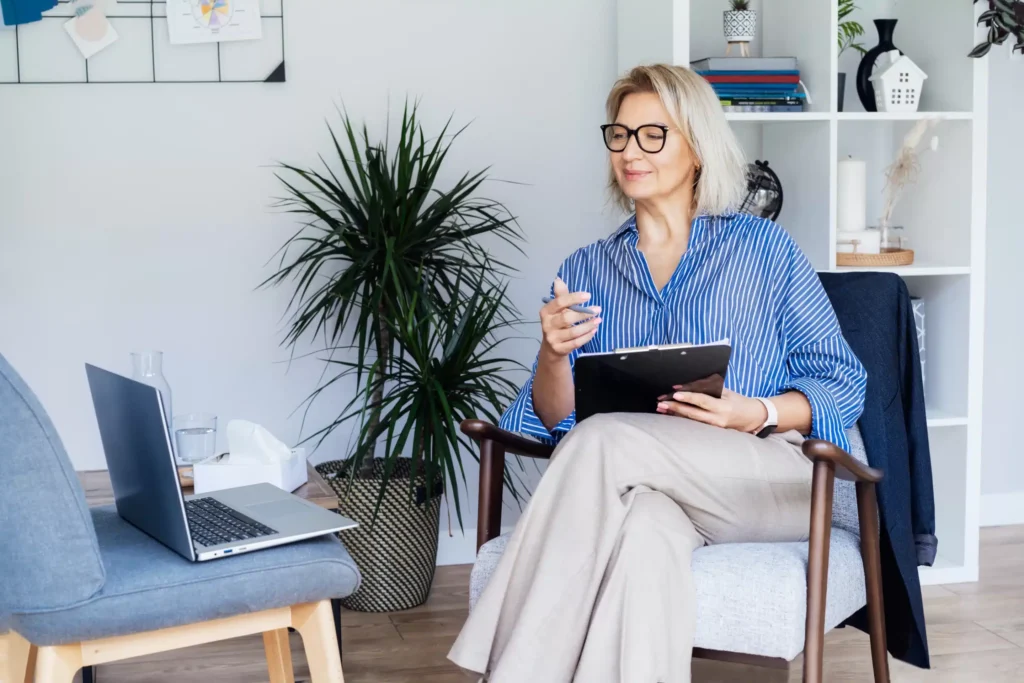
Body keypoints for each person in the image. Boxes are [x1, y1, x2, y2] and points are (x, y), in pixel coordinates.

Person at [447, 64, 868, 683]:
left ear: (697, 149)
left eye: (653, 135)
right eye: (619, 135)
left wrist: (757, 411)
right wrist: (552, 355)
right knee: (643, 532)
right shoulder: (587, 268)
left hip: (767, 481)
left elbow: (842, 382)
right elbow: (554, 417)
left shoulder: (762, 249)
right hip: (646, 489)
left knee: (605, 438)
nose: (630, 151)